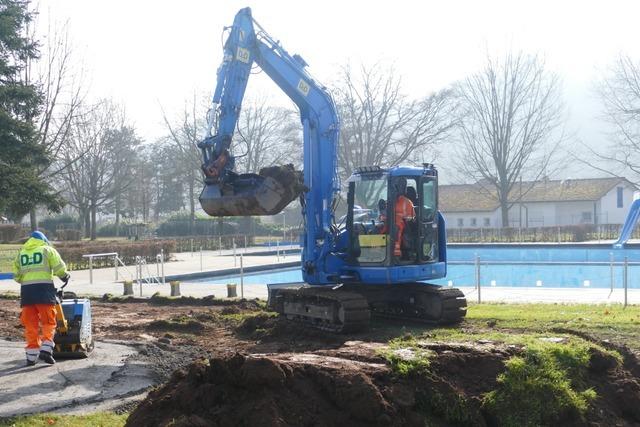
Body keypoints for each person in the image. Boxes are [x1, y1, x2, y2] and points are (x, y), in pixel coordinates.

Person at [12, 231, 69, 366]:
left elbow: (16, 276)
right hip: (44, 291)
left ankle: (31, 357)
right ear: (44, 240)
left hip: (27, 293)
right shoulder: (47, 250)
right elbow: (59, 268)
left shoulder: (21, 253)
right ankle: (46, 349)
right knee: (48, 321)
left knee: (30, 324)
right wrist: (64, 276)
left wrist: (28, 281)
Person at [391, 178, 415, 257]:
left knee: (396, 226)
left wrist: (405, 218)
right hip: (391, 223)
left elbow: (412, 218)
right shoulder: (389, 202)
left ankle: (396, 253)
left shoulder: (407, 202)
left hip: (404, 226)